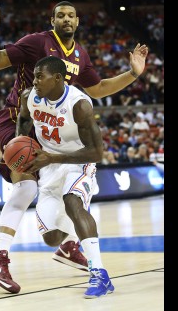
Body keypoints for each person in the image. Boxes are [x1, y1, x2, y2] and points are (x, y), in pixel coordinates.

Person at [0, 0, 148, 293]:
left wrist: (132, 74)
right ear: (53, 20)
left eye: (71, 15)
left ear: (78, 21)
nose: (66, 19)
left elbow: (99, 88)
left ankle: (68, 245)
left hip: (49, 132)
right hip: (19, 122)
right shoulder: (36, 42)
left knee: (68, 192)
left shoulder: (79, 53)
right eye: (60, 15)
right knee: (28, 187)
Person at [22, 56, 114, 298]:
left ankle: (99, 274)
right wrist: (20, 146)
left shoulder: (79, 105)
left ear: (58, 78)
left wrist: (52, 158)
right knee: (51, 238)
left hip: (78, 161)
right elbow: (23, 120)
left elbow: (97, 152)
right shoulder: (29, 97)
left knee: (73, 202)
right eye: (35, 76)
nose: (35, 81)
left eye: (40, 76)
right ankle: (71, 239)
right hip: (48, 167)